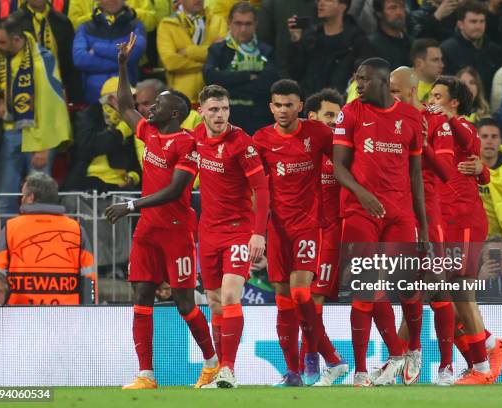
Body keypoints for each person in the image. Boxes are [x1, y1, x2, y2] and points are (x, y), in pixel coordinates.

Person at [105, 33, 217, 390]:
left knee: (185, 301)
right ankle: (146, 374)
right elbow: (124, 106)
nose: (148, 108)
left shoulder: (188, 143)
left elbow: (175, 191)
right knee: (141, 294)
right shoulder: (151, 134)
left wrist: (131, 205)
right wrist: (123, 65)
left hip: (175, 230)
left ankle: (212, 363)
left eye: (156, 105)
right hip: (148, 231)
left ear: (175, 113)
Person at [333, 58, 428, 387]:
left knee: (406, 286)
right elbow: (339, 167)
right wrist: (361, 194)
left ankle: (413, 348)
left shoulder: (411, 118)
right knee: (367, 289)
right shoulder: (351, 112)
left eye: (364, 78)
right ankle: (361, 371)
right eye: (356, 78)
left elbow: (416, 176)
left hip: (400, 214)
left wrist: (424, 229)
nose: (358, 84)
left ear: (383, 80)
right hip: (361, 213)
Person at [427, 76, 502, 385]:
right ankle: (488, 346)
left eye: (438, 95)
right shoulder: (433, 126)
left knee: (460, 293)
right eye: (430, 94)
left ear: (454, 102)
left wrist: (483, 170)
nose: (432, 99)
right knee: (442, 294)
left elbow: (471, 144)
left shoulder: (464, 126)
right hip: (440, 218)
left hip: (463, 218)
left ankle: (483, 364)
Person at [252, 79, 334, 387]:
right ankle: (293, 372)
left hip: (309, 225)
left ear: (301, 106)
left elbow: (343, 163)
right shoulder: (260, 140)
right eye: (278, 105)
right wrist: (256, 230)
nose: (283, 110)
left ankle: (311, 353)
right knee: (284, 301)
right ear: (271, 107)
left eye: (289, 104)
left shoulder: (318, 134)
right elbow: (256, 189)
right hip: (278, 230)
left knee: (301, 293)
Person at [193, 84, 270, 388]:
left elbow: (262, 190)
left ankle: (229, 368)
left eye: (224, 109)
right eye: (213, 109)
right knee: (213, 302)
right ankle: (216, 372)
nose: (220, 115)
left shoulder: (242, 143)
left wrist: (258, 234)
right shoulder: (196, 137)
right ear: (200, 112)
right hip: (208, 232)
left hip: (238, 231)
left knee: (229, 296)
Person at [388, 66, 458, 386]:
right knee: (406, 288)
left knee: (439, 286)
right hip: (401, 211)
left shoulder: (436, 119)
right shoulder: (388, 117)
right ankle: (414, 348)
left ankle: (446, 366)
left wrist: (423, 144)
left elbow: (446, 171)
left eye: (394, 90)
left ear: (412, 90)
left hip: (429, 212)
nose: (389, 95)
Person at [0, 14, 71, 216]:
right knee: (5, 200)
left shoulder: (43, 61)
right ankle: (7, 244)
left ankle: (35, 244)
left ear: (17, 39)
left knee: (38, 201)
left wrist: (44, 147)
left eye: (1, 41)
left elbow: (52, 106)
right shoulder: (0, 58)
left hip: (39, 138)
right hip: (11, 134)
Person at [300, 88, 349, 387]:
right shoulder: (299, 148)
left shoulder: (343, 153)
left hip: (332, 235)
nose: (334, 121)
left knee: (312, 299)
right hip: (303, 234)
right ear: (312, 117)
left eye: (338, 116)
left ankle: (319, 363)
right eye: (329, 115)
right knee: (301, 301)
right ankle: (321, 363)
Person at [0, 173, 96, 305]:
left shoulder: (11, 228)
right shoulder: (77, 229)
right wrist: (90, 310)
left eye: (23, 195)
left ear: (31, 198)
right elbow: (89, 277)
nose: (21, 199)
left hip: (19, 314)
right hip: (67, 315)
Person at [203, 1, 278, 134]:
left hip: (258, 120)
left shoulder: (266, 51)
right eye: (238, 23)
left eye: (248, 24)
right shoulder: (217, 50)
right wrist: (248, 76)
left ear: (255, 24)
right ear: (229, 23)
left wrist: (227, 83)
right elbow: (210, 79)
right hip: (224, 120)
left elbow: (268, 85)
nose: (243, 29)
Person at [65, 76, 141, 192]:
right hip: (88, 182)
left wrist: (133, 177)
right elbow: (88, 147)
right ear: (111, 99)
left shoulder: (133, 118)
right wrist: (120, 132)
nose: (132, 101)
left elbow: (140, 158)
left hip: (122, 188)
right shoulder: (88, 116)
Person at [287, 0, 373, 96]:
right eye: (319, 0)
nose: (321, 3)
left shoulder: (356, 40)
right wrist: (296, 41)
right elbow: (295, 74)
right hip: (311, 104)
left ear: (342, 6)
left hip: (341, 105)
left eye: (328, 0)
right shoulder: (311, 38)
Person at [72, 0, 146, 104]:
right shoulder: (85, 28)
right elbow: (79, 59)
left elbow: (134, 53)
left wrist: (97, 48)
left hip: (128, 99)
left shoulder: (136, 26)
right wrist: (123, 62)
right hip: (93, 100)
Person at [157, 0, 227, 104]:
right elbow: (170, 63)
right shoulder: (167, 24)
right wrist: (208, 65)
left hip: (214, 97)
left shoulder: (218, 21)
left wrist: (188, 51)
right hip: (181, 98)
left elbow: (224, 54)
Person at [14, 0, 82, 102]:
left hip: (58, 90)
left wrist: (74, 97)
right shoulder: (14, 23)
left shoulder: (63, 22)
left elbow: (70, 64)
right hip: (24, 91)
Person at [440, 1, 502, 95]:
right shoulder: (447, 50)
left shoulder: (495, 51)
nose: (478, 26)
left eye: (482, 21)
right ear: (460, 24)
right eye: (473, 22)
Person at [134, 78, 203, 129]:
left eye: (146, 104)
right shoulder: (141, 123)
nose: (140, 110)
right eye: (138, 105)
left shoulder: (193, 118)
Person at [368, 0, 412, 70]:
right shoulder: (371, 46)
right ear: (379, 13)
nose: (399, 12)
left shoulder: (412, 43)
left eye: (402, 7)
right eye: (392, 8)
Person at [67, 0, 156, 31]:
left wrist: (133, 14)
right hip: (94, 57)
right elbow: (72, 26)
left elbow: (152, 21)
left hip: (131, 57)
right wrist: (97, 16)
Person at [410, 38, 444, 102]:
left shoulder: (446, 88)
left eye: (441, 59)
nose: (442, 65)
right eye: (435, 60)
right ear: (419, 63)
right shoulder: (405, 90)